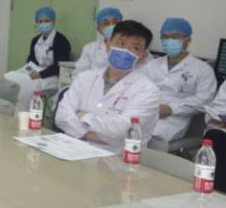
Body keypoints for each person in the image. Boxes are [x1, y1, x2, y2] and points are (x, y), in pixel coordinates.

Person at [55, 20, 160, 153]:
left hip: (117, 157)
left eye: (135, 48)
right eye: (121, 44)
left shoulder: (148, 90)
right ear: (108, 44)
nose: (125, 51)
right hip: (73, 148)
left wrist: (83, 116)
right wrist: (87, 134)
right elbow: (61, 116)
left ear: (143, 56)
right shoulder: (85, 78)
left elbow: (122, 129)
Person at [144, 18, 216, 142]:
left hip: (173, 120)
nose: (169, 40)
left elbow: (204, 101)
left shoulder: (203, 70)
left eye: (175, 37)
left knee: (149, 136)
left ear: (188, 40)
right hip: (145, 111)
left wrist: (171, 108)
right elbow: (139, 90)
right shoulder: (151, 65)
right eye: (165, 37)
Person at [4, 6, 71, 110]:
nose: (44, 24)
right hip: (36, 73)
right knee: (9, 76)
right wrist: (30, 71)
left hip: (52, 77)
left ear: (53, 22)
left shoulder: (61, 40)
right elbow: (31, 60)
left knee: (24, 86)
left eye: (47, 21)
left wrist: (40, 75)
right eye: (40, 21)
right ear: (37, 23)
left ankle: (22, 113)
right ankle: (8, 110)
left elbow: (60, 66)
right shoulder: (35, 40)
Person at [73, 7, 123, 77]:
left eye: (115, 22)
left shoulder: (130, 47)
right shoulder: (90, 49)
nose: (112, 26)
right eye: (106, 23)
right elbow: (79, 73)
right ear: (99, 29)